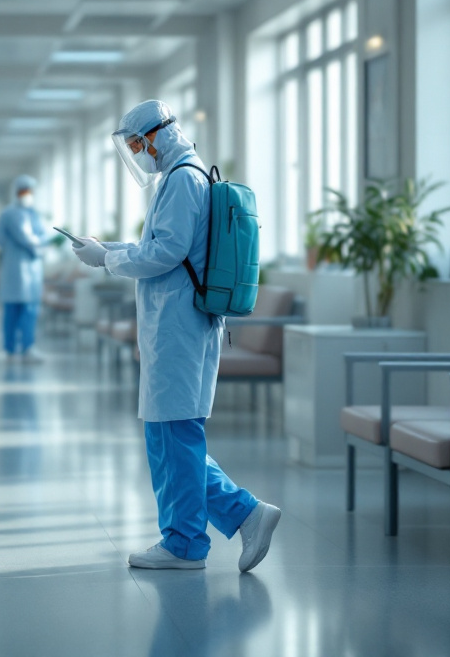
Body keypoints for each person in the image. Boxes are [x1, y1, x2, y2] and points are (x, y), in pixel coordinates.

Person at [72, 100, 280, 572]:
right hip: (174, 325)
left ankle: (186, 543)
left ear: (157, 135)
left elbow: (165, 253)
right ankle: (244, 515)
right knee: (167, 435)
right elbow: (156, 247)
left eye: (136, 144)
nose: (136, 153)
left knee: (175, 434)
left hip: (180, 327)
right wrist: (106, 249)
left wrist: (108, 261)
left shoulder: (184, 179)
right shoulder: (180, 176)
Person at [0, 175, 46, 362]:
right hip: (17, 269)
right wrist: (36, 245)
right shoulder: (11, 213)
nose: (26, 194)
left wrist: (32, 243)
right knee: (15, 311)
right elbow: (27, 237)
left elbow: (0, 237)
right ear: (17, 192)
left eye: (29, 191)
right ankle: (17, 349)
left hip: (28, 270)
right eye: (23, 191)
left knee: (28, 310)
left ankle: (24, 348)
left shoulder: (33, 213)